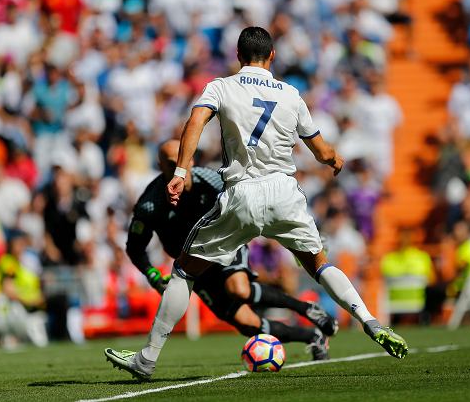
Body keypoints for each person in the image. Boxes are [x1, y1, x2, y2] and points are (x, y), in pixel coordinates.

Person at [105, 27, 408, 380]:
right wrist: (334, 161)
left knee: (185, 271)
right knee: (320, 265)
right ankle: (370, 321)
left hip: (242, 193)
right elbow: (322, 150)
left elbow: (195, 122)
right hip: (285, 193)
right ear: (273, 56)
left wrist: (181, 169)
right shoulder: (292, 95)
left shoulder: (221, 86)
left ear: (237, 55)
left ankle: (147, 360)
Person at [117, 140, 337, 361]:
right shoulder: (150, 204)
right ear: (161, 165)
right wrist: (152, 274)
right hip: (194, 267)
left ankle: (306, 309)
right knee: (247, 324)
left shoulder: (213, 181)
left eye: (182, 161)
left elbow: (249, 206)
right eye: (172, 163)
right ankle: (313, 336)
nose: (178, 168)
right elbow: (134, 247)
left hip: (225, 244)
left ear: (190, 160)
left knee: (238, 289)